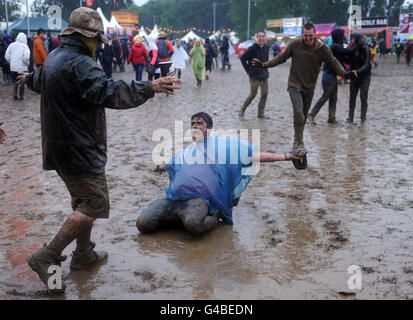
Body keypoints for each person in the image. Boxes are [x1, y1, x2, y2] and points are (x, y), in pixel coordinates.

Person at [18, 7, 180, 294]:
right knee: (93, 205)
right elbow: (110, 92)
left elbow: (38, 79)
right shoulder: (81, 63)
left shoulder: (55, 57)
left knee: (84, 203)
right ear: (87, 38)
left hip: (58, 147)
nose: (98, 46)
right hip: (80, 147)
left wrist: (26, 78)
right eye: (97, 41)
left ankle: (83, 255)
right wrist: (150, 87)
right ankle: (47, 256)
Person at [136, 112, 307, 235]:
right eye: (192, 123)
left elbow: (254, 156)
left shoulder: (224, 146)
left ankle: (215, 213)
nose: (195, 126)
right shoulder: (186, 152)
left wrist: (286, 156)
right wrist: (158, 168)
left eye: (199, 123)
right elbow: (170, 164)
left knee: (194, 225)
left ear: (209, 128)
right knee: (142, 224)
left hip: (198, 199)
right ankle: (175, 217)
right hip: (173, 199)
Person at [253, 23, 356, 150]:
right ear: (302, 35)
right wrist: (264, 65)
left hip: (309, 87)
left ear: (315, 35)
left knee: (303, 115)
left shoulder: (322, 48)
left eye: (310, 36)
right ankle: (297, 142)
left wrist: (345, 74)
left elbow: (334, 62)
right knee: (298, 112)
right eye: (305, 36)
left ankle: (299, 140)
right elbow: (281, 58)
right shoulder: (295, 44)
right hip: (294, 84)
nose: (308, 39)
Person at [308, 28, 355, 125]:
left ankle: (331, 118)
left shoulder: (338, 46)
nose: (344, 37)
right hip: (328, 76)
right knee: (325, 96)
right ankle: (312, 114)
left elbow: (345, 60)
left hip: (332, 75)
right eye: (342, 35)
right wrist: (355, 47)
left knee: (334, 98)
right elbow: (346, 53)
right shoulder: (335, 47)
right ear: (339, 36)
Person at [239, 30, 270, 119]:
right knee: (253, 94)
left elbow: (266, 60)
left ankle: (260, 114)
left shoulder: (267, 47)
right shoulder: (252, 48)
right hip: (254, 76)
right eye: (259, 36)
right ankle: (242, 109)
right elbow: (243, 58)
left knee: (265, 94)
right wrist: (248, 71)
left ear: (265, 38)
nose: (261, 38)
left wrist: (266, 67)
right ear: (257, 38)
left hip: (264, 75)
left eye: (263, 36)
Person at [347, 34, 371, 123]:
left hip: (365, 76)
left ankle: (363, 118)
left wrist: (357, 71)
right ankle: (350, 117)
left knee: (363, 96)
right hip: (354, 76)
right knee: (352, 97)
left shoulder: (366, 49)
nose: (363, 40)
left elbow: (367, 64)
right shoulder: (352, 48)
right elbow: (348, 60)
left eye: (362, 39)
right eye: (360, 39)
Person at [5, 32, 30, 100]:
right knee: (22, 82)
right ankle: (21, 96)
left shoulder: (11, 45)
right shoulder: (25, 46)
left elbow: (6, 56)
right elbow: (26, 57)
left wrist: (11, 62)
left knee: (14, 81)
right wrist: (27, 64)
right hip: (22, 68)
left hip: (13, 67)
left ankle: (15, 94)